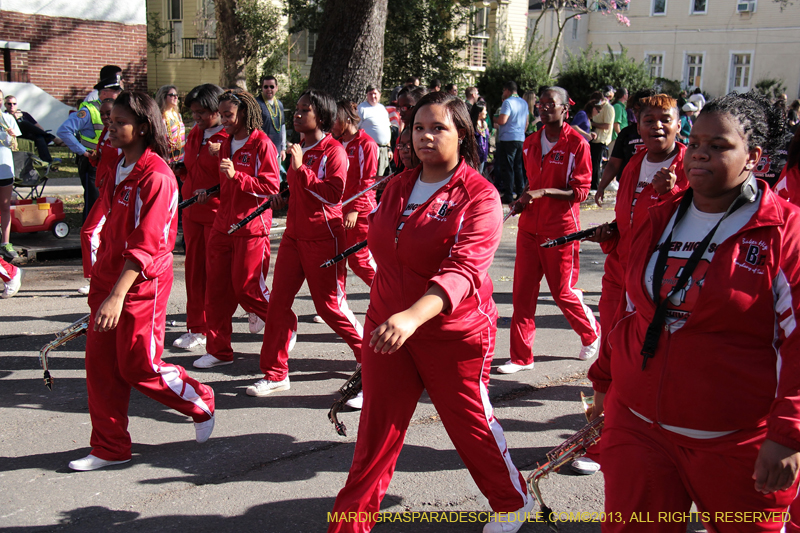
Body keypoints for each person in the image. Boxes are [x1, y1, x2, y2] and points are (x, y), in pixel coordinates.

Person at [588, 91, 800, 532]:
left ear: (754, 157)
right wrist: (605, 383)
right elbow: (628, 313)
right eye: (697, 142)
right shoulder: (659, 216)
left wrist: (788, 435)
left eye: (719, 146)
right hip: (638, 430)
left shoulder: (785, 232)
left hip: (735, 443)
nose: (699, 154)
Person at [328, 90, 533, 533]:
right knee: (376, 434)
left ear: (463, 134)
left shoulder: (479, 197)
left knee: (469, 426)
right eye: (418, 128)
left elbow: (462, 271)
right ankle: (349, 525)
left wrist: (412, 316)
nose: (425, 136)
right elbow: (388, 252)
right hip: (388, 327)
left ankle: (512, 500)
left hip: (453, 333)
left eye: (438, 127)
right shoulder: (398, 184)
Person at [69, 91, 215, 472]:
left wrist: (118, 295)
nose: (110, 127)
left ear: (144, 127)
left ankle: (199, 398)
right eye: (109, 120)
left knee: (138, 366)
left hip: (139, 284)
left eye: (119, 122)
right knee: (100, 367)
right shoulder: (114, 160)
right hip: (107, 278)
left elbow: (148, 244)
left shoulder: (159, 177)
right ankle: (109, 447)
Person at [248, 90, 364, 397]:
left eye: (304, 110)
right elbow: (299, 191)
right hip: (293, 237)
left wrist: (302, 170)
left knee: (329, 307)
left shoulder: (333, 150)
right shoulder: (299, 149)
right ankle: (275, 373)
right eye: (296, 109)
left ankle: (369, 356)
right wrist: (282, 199)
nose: (297, 114)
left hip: (324, 237)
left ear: (321, 116)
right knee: (277, 305)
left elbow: (333, 195)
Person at [588, 95, 687, 448]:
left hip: (658, 279)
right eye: (649, 120)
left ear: (678, 124)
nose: (657, 126)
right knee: (611, 340)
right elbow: (628, 218)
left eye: (665, 119)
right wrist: (610, 235)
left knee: (642, 355)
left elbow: (691, 223)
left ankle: (625, 430)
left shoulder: (690, 164)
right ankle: (600, 426)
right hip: (620, 269)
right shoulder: (635, 162)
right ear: (637, 126)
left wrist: (671, 191)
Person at [500, 86, 600, 375]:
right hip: (529, 228)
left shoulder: (577, 144)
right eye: (540, 104)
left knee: (562, 292)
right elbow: (532, 183)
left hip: (560, 230)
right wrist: (524, 198)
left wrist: (542, 193)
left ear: (565, 109)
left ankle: (591, 332)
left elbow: (580, 192)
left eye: (550, 104)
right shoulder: (530, 142)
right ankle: (521, 357)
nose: (544, 108)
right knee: (522, 294)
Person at [192, 89, 280, 369]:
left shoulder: (263, 144)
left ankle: (284, 324)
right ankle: (219, 351)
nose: (224, 120)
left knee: (247, 289)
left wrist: (237, 176)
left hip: (250, 226)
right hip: (222, 225)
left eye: (229, 115)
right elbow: (227, 184)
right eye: (223, 115)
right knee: (216, 291)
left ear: (244, 113)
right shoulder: (225, 142)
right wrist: (211, 190)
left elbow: (270, 187)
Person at [171, 84, 227, 351]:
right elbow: (192, 166)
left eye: (202, 112)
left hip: (216, 213)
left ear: (217, 110)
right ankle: (196, 328)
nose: (197, 118)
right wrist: (181, 169)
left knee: (215, 274)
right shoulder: (195, 133)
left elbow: (235, 178)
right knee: (193, 271)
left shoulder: (230, 137)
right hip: (191, 211)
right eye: (193, 113)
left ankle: (216, 331)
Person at [58, 75, 122, 221]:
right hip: (92, 164)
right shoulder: (89, 110)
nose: (119, 94)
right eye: (115, 91)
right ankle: (87, 237)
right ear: (104, 92)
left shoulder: (119, 109)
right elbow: (64, 130)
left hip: (110, 163)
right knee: (94, 204)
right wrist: (83, 152)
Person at [332, 99, 378, 288]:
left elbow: (367, 182)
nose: (332, 125)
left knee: (359, 260)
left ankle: (387, 296)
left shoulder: (366, 144)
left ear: (345, 119)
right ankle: (336, 303)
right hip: (337, 209)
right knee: (336, 259)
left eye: (335, 120)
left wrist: (355, 209)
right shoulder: (336, 143)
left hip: (360, 211)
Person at [79, 98, 121, 296]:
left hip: (113, 193)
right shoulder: (107, 132)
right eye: (103, 114)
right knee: (103, 236)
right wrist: (96, 159)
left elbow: (125, 163)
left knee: (89, 233)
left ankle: (96, 278)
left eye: (109, 114)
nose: (105, 118)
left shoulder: (121, 135)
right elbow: (106, 158)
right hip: (104, 191)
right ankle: (102, 277)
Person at [594, 88, 658, 207]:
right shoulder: (627, 134)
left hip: (654, 192)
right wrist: (601, 187)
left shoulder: (661, 134)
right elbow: (614, 163)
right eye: (636, 110)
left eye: (643, 109)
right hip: (628, 189)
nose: (638, 114)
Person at [494, 81, 529, 204]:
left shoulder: (508, 102)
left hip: (508, 138)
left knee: (507, 167)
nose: (503, 93)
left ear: (507, 90)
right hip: (520, 137)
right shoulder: (524, 103)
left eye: (504, 91)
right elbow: (527, 122)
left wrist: (495, 118)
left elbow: (502, 120)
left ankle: (508, 195)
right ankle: (520, 193)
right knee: (518, 167)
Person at [4, 95, 61, 162]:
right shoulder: (4, 116)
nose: (12, 105)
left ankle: (48, 162)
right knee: (23, 123)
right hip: (16, 136)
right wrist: (15, 118)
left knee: (39, 137)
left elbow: (38, 127)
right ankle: (51, 137)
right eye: (9, 104)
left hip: (30, 136)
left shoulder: (24, 114)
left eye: (14, 103)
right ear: (5, 105)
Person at [0, 88, 22, 261]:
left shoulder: (8, 119)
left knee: (5, 206)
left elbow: (14, 146)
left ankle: (5, 242)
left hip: (5, 169)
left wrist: (13, 137)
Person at [357, 85, 392, 176]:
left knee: (382, 178)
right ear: (366, 95)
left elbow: (386, 129)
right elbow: (356, 130)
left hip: (383, 149)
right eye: (370, 94)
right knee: (370, 177)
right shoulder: (361, 109)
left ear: (380, 95)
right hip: (369, 149)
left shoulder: (382, 109)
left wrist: (389, 148)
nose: (373, 96)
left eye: (375, 94)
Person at [255, 75, 287, 167]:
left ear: (276, 88)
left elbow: (282, 126)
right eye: (266, 87)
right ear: (262, 88)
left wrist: (283, 148)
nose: (269, 89)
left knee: (276, 178)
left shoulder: (279, 104)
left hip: (276, 149)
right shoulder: (257, 103)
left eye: (272, 86)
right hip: (261, 150)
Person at [590, 88, 615, 190]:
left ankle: (595, 187)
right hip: (593, 139)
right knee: (592, 164)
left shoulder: (608, 108)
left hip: (601, 140)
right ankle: (592, 185)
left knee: (596, 165)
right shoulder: (597, 107)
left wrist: (593, 124)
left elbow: (607, 125)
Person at [155, 85, 185, 167]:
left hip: (180, 157)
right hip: (167, 159)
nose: (175, 97)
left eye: (176, 95)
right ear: (163, 97)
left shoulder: (178, 115)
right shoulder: (160, 117)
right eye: (172, 95)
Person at [470, 102, 489, 174]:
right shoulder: (472, 125)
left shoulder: (484, 124)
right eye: (485, 110)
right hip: (474, 156)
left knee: (480, 176)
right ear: (479, 112)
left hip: (483, 156)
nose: (486, 112)